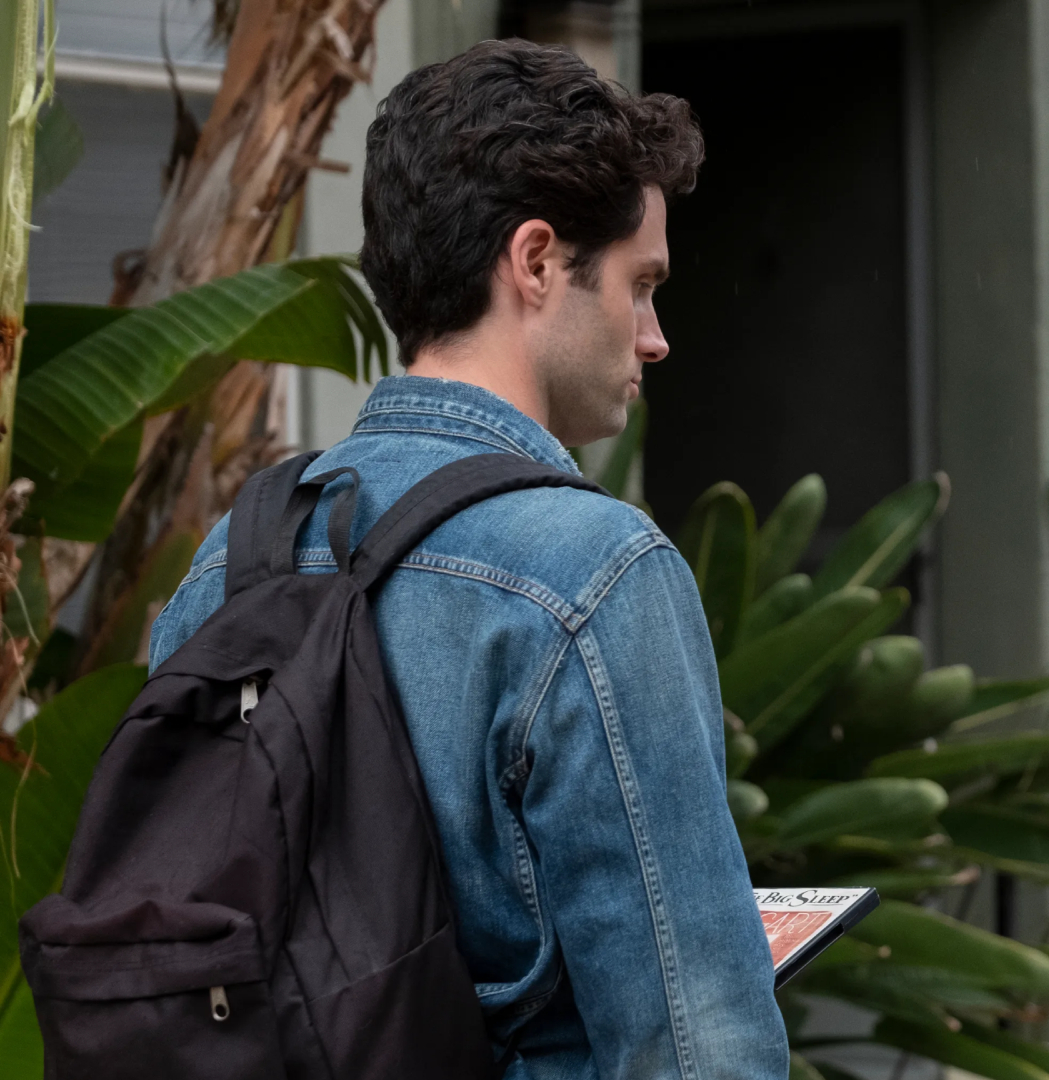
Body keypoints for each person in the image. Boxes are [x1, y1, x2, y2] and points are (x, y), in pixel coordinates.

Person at [148, 40, 789, 1080]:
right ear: (536, 261)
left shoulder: (230, 561)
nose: (656, 336)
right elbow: (695, 1046)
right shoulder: (596, 571)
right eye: (639, 286)